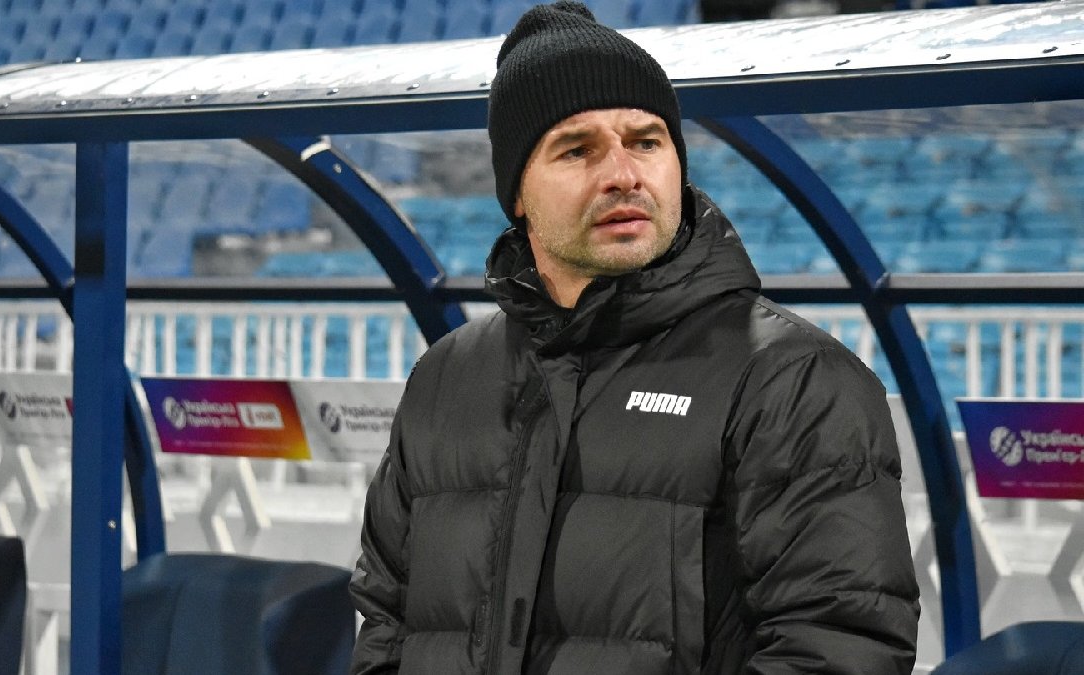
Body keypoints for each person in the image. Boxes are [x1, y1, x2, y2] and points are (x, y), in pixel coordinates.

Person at [349, 2, 920, 673]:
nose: (623, 174)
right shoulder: (446, 375)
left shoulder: (793, 380)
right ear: (517, 194)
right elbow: (386, 620)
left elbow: (839, 647)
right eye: (577, 150)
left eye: (646, 141)